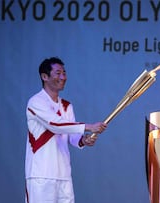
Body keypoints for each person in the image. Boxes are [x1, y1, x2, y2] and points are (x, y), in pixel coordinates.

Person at [25, 57, 107, 203]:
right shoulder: (36, 102)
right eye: (58, 73)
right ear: (44, 77)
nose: (63, 77)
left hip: (63, 175)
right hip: (41, 176)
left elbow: (72, 136)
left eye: (64, 72)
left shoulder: (67, 106)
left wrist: (83, 140)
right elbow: (55, 125)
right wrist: (89, 126)